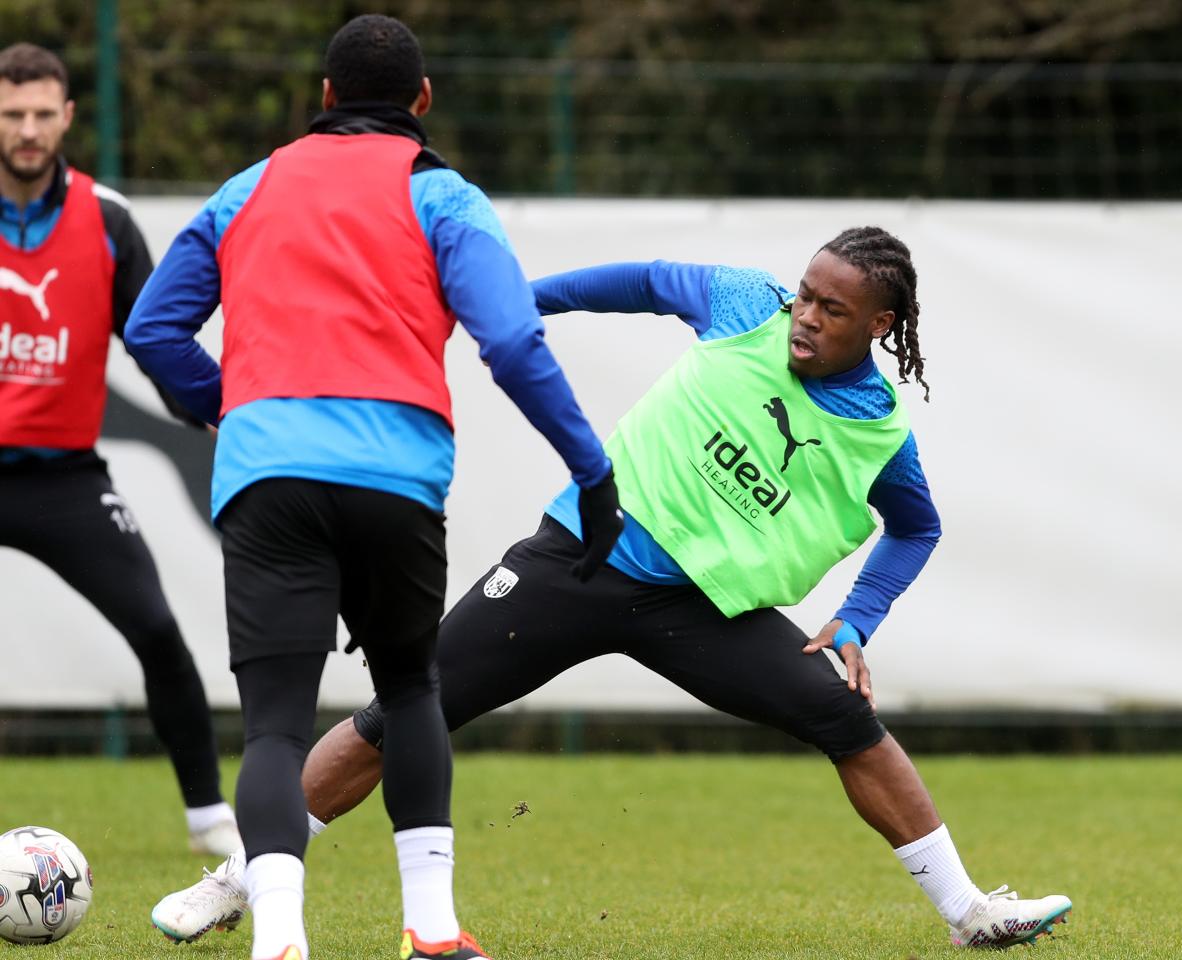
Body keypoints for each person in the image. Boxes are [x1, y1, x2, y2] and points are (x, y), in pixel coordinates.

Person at [151, 228, 1072, 950]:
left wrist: (857, 617)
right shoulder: (744, 303)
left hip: (705, 610)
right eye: (806, 295)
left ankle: (967, 911)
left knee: (848, 723)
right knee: (403, 711)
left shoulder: (880, 432)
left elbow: (918, 526)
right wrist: (523, 304)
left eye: (833, 309)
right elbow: (638, 281)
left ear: (879, 325)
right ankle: (237, 881)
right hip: (576, 560)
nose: (805, 316)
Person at [125, 15, 622, 960]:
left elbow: (154, 329)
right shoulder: (446, 195)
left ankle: (279, 939)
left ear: (323, 99)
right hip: (396, 479)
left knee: (274, 725)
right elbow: (513, 342)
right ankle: (431, 932)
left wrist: (229, 411)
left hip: (269, 479)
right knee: (409, 689)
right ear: (423, 103)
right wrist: (590, 469)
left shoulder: (248, 187)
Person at [0, 42, 239, 857]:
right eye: (12, 115)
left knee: (158, 631)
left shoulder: (105, 220)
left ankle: (212, 822)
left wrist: (216, 409)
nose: (27, 131)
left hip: (65, 477)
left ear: (66, 117)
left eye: (41, 114)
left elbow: (153, 341)